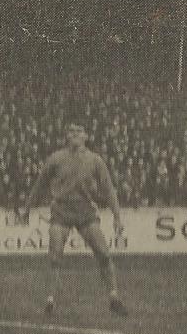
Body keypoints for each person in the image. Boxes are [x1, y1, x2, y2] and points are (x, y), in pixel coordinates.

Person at [20, 108, 126, 317]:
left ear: (86, 136)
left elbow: (109, 189)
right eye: (71, 131)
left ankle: (114, 297)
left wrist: (117, 217)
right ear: (66, 137)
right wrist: (26, 210)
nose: (75, 135)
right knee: (55, 256)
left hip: (85, 211)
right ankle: (50, 300)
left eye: (79, 131)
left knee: (104, 254)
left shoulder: (95, 161)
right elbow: (39, 186)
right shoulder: (56, 159)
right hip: (61, 211)